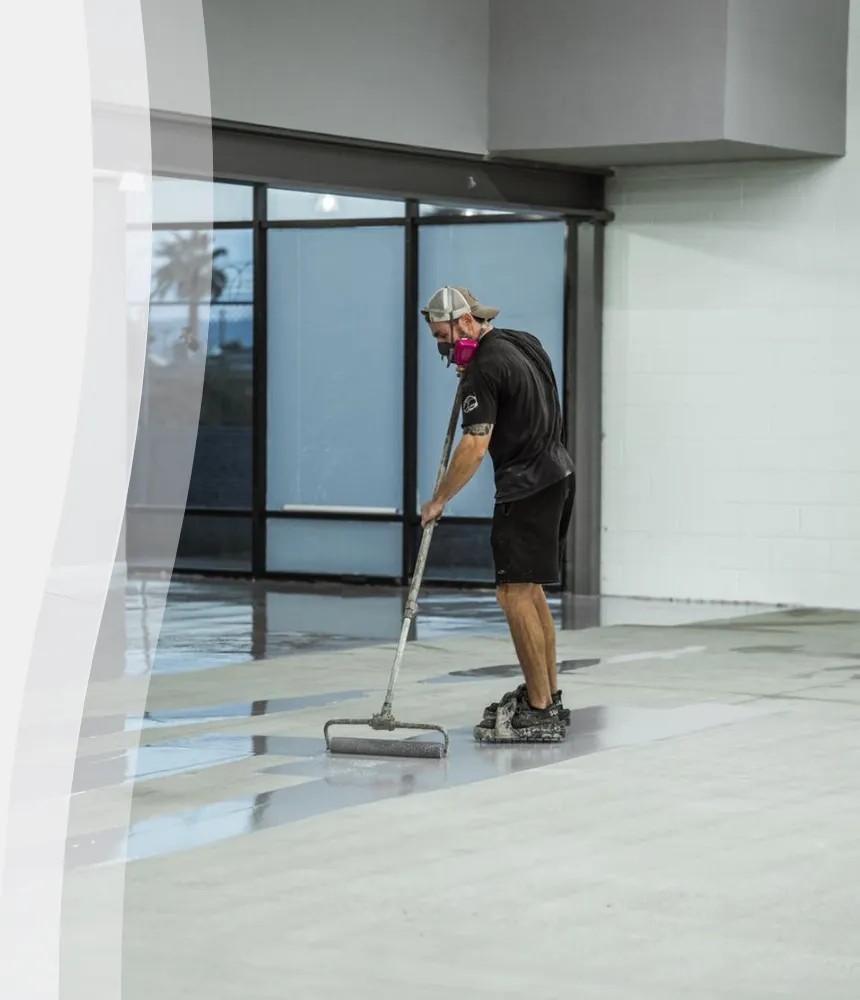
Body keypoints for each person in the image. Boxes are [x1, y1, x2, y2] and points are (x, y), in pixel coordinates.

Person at [420, 286, 575, 743]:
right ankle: (544, 696)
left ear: (466, 323)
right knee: (529, 591)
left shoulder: (483, 369)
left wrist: (440, 499)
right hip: (558, 473)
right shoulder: (523, 341)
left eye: (441, 336)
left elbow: (474, 444)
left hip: (527, 486)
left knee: (512, 596)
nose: (442, 347)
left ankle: (540, 709)